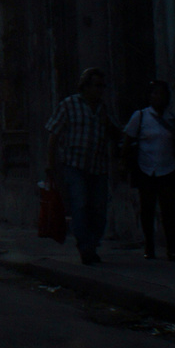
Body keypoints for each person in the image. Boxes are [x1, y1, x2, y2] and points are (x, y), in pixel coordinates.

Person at [46, 67, 123, 265]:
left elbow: (116, 134)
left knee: (98, 208)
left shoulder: (103, 108)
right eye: (97, 85)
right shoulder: (69, 105)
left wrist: (109, 126)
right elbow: (53, 135)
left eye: (102, 86)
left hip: (98, 166)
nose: (100, 90)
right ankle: (85, 247)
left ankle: (93, 242)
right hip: (74, 165)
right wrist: (50, 165)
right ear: (85, 86)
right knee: (80, 205)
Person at [123, 81, 175, 261]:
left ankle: (171, 247)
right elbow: (128, 140)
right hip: (146, 169)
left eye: (162, 94)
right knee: (148, 209)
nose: (159, 97)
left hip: (167, 168)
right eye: (155, 94)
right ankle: (149, 245)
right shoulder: (140, 116)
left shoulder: (172, 119)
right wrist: (124, 163)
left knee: (168, 210)